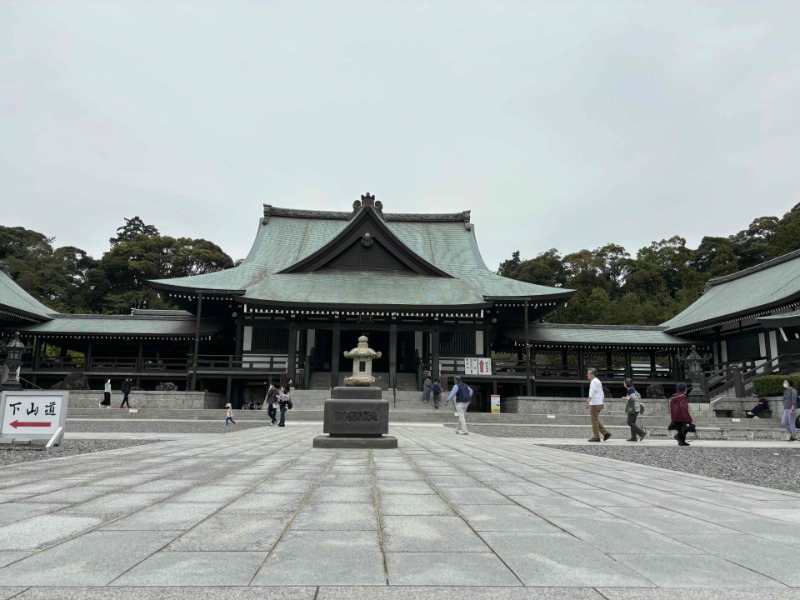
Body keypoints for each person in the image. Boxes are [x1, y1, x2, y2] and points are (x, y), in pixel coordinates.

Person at [586, 368, 611, 442]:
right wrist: (601, 402)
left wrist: (588, 401)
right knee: (595, 419)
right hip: (598, 403)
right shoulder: (598, 381)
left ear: (593, 374)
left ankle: (596, 436)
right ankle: (606, 433)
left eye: (588, 373)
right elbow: (601, 393)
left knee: (594, 420)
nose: (587, 375)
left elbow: (592, 392)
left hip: (595, 403)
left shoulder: (593, 381)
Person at [669, 382, 693, 446]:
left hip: (674, 416)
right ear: (685, 389)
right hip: (681, 416)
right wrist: (687, 417)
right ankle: (678, 436)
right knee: (687, 427)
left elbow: (671, 406)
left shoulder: (673, 397)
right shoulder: (683, 396)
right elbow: (683, 407)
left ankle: (681, 442)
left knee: (680, 429)